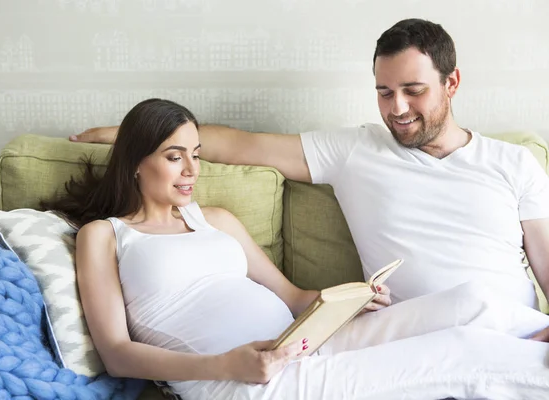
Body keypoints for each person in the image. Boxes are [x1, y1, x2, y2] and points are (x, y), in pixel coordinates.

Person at [49, 97, 549, 400]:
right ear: (135, 162)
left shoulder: (216, 220)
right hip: (249, 382)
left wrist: (347, 299)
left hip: (305, 344)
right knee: (464, 352)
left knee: (473, 300)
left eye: (195, 155)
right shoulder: (107, 236)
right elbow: (117, 355)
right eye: (173, 156)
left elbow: (294, 297)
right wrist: (225, 365)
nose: (192, 171)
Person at [72, 19, 549, 333]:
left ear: (453, 83)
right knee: (470, 307)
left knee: (484, 309)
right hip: (412, 332)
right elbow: (241, 144)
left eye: (413, 91)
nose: (397, 109)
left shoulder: (516, 162)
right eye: (384, 92)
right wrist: (128, 135)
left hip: (520, 332)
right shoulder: (352, 149)